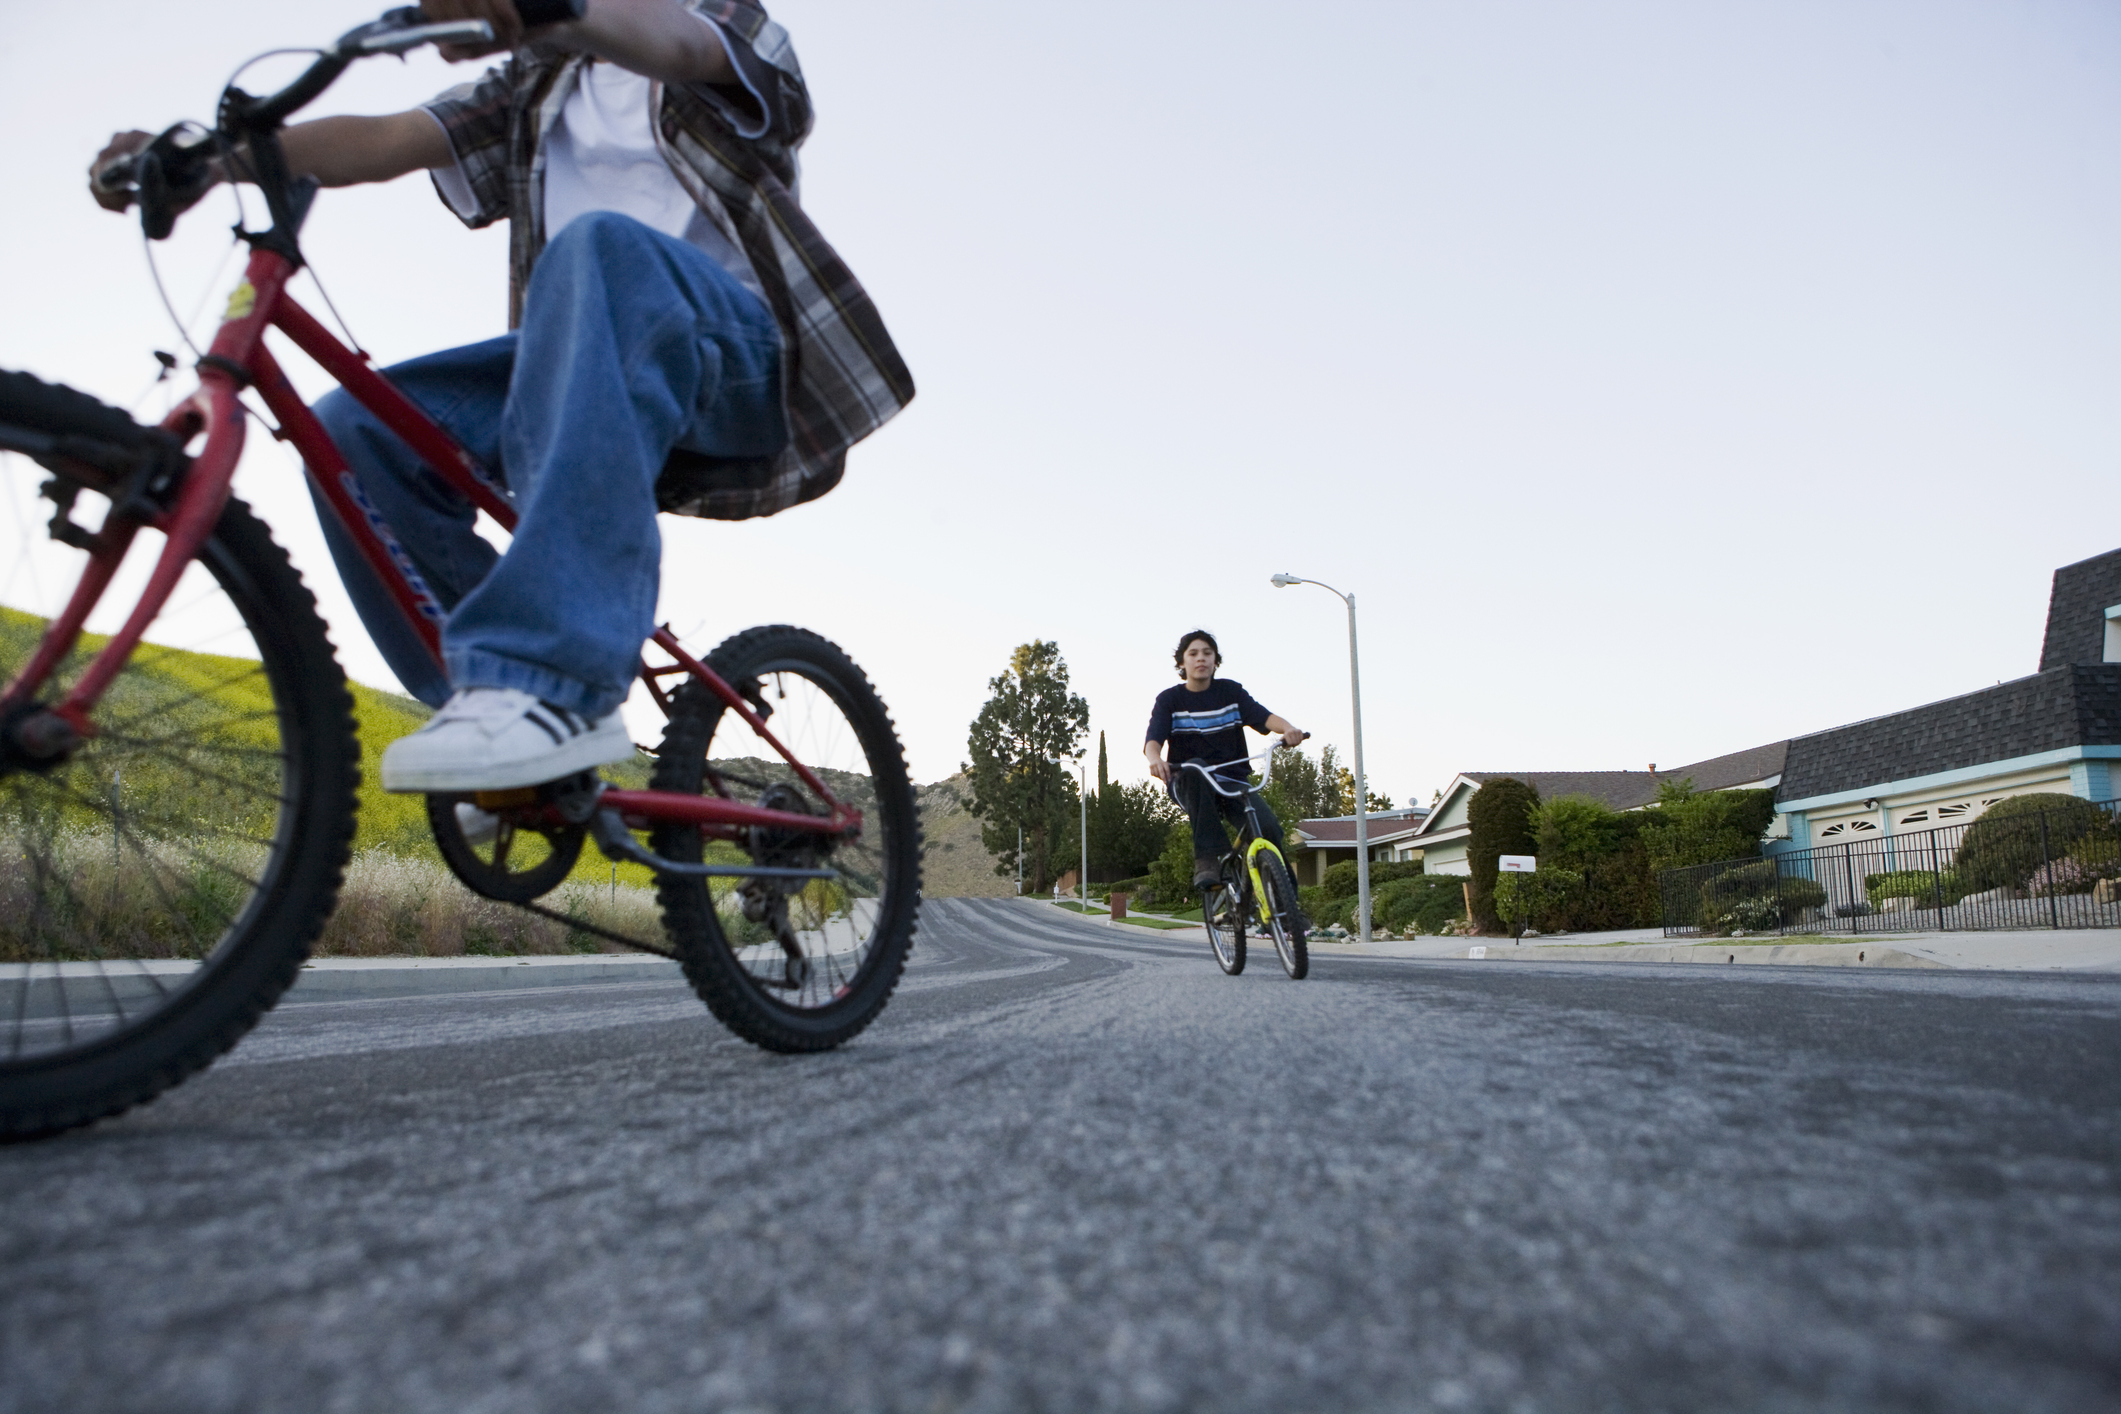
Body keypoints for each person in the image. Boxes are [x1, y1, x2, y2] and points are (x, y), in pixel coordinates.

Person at [89, 0, 911, 794]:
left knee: (604, 252)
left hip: (736, 356)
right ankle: (495, 724)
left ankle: (550, 679)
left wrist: (548, 7)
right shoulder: (533, 88)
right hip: (584, 359)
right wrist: (210, 161)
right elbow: (388, 138)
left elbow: (676, 43)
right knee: (355, 430)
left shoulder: (731, 28)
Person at [1143, 629, 1305, 895]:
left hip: (1232, 781)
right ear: (1182, 663)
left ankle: (1284, 908)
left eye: (1208, 653)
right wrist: (1154, 759)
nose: (1201, 659)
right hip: (1189, 782)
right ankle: (1208, 860)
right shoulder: (1170, 700)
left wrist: (1288, 729)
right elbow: (1153, 739)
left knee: (1268, 829)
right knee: (1196, 765)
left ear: (1216, 661)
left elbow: (1263, 717)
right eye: (1193, 654)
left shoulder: (1231, 692)